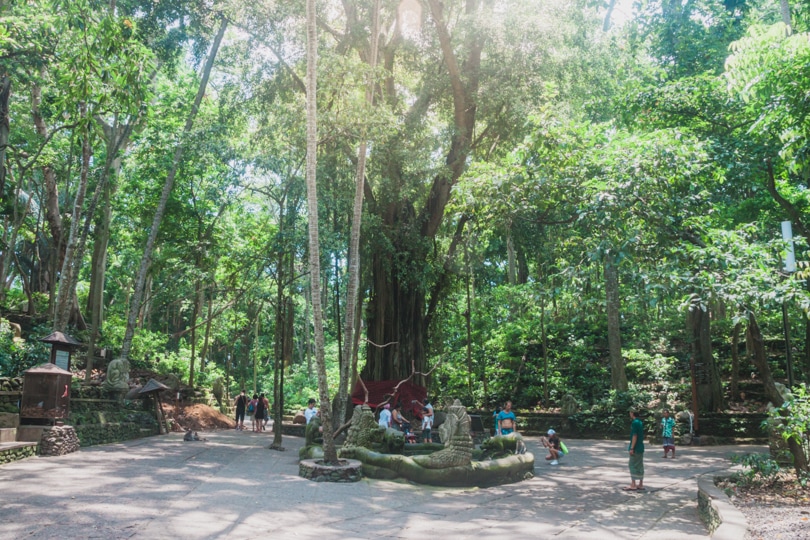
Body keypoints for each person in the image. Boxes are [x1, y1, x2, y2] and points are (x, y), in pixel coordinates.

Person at [625, 410, 646, 491]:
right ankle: (640, 484)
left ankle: (633, 484)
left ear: (632, 414)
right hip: (641, 447)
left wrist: (632, 448)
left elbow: (634, 436)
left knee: (632, 464)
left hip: (636, 447)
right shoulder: (640, 422)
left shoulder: (634, 423)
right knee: (640, 465)